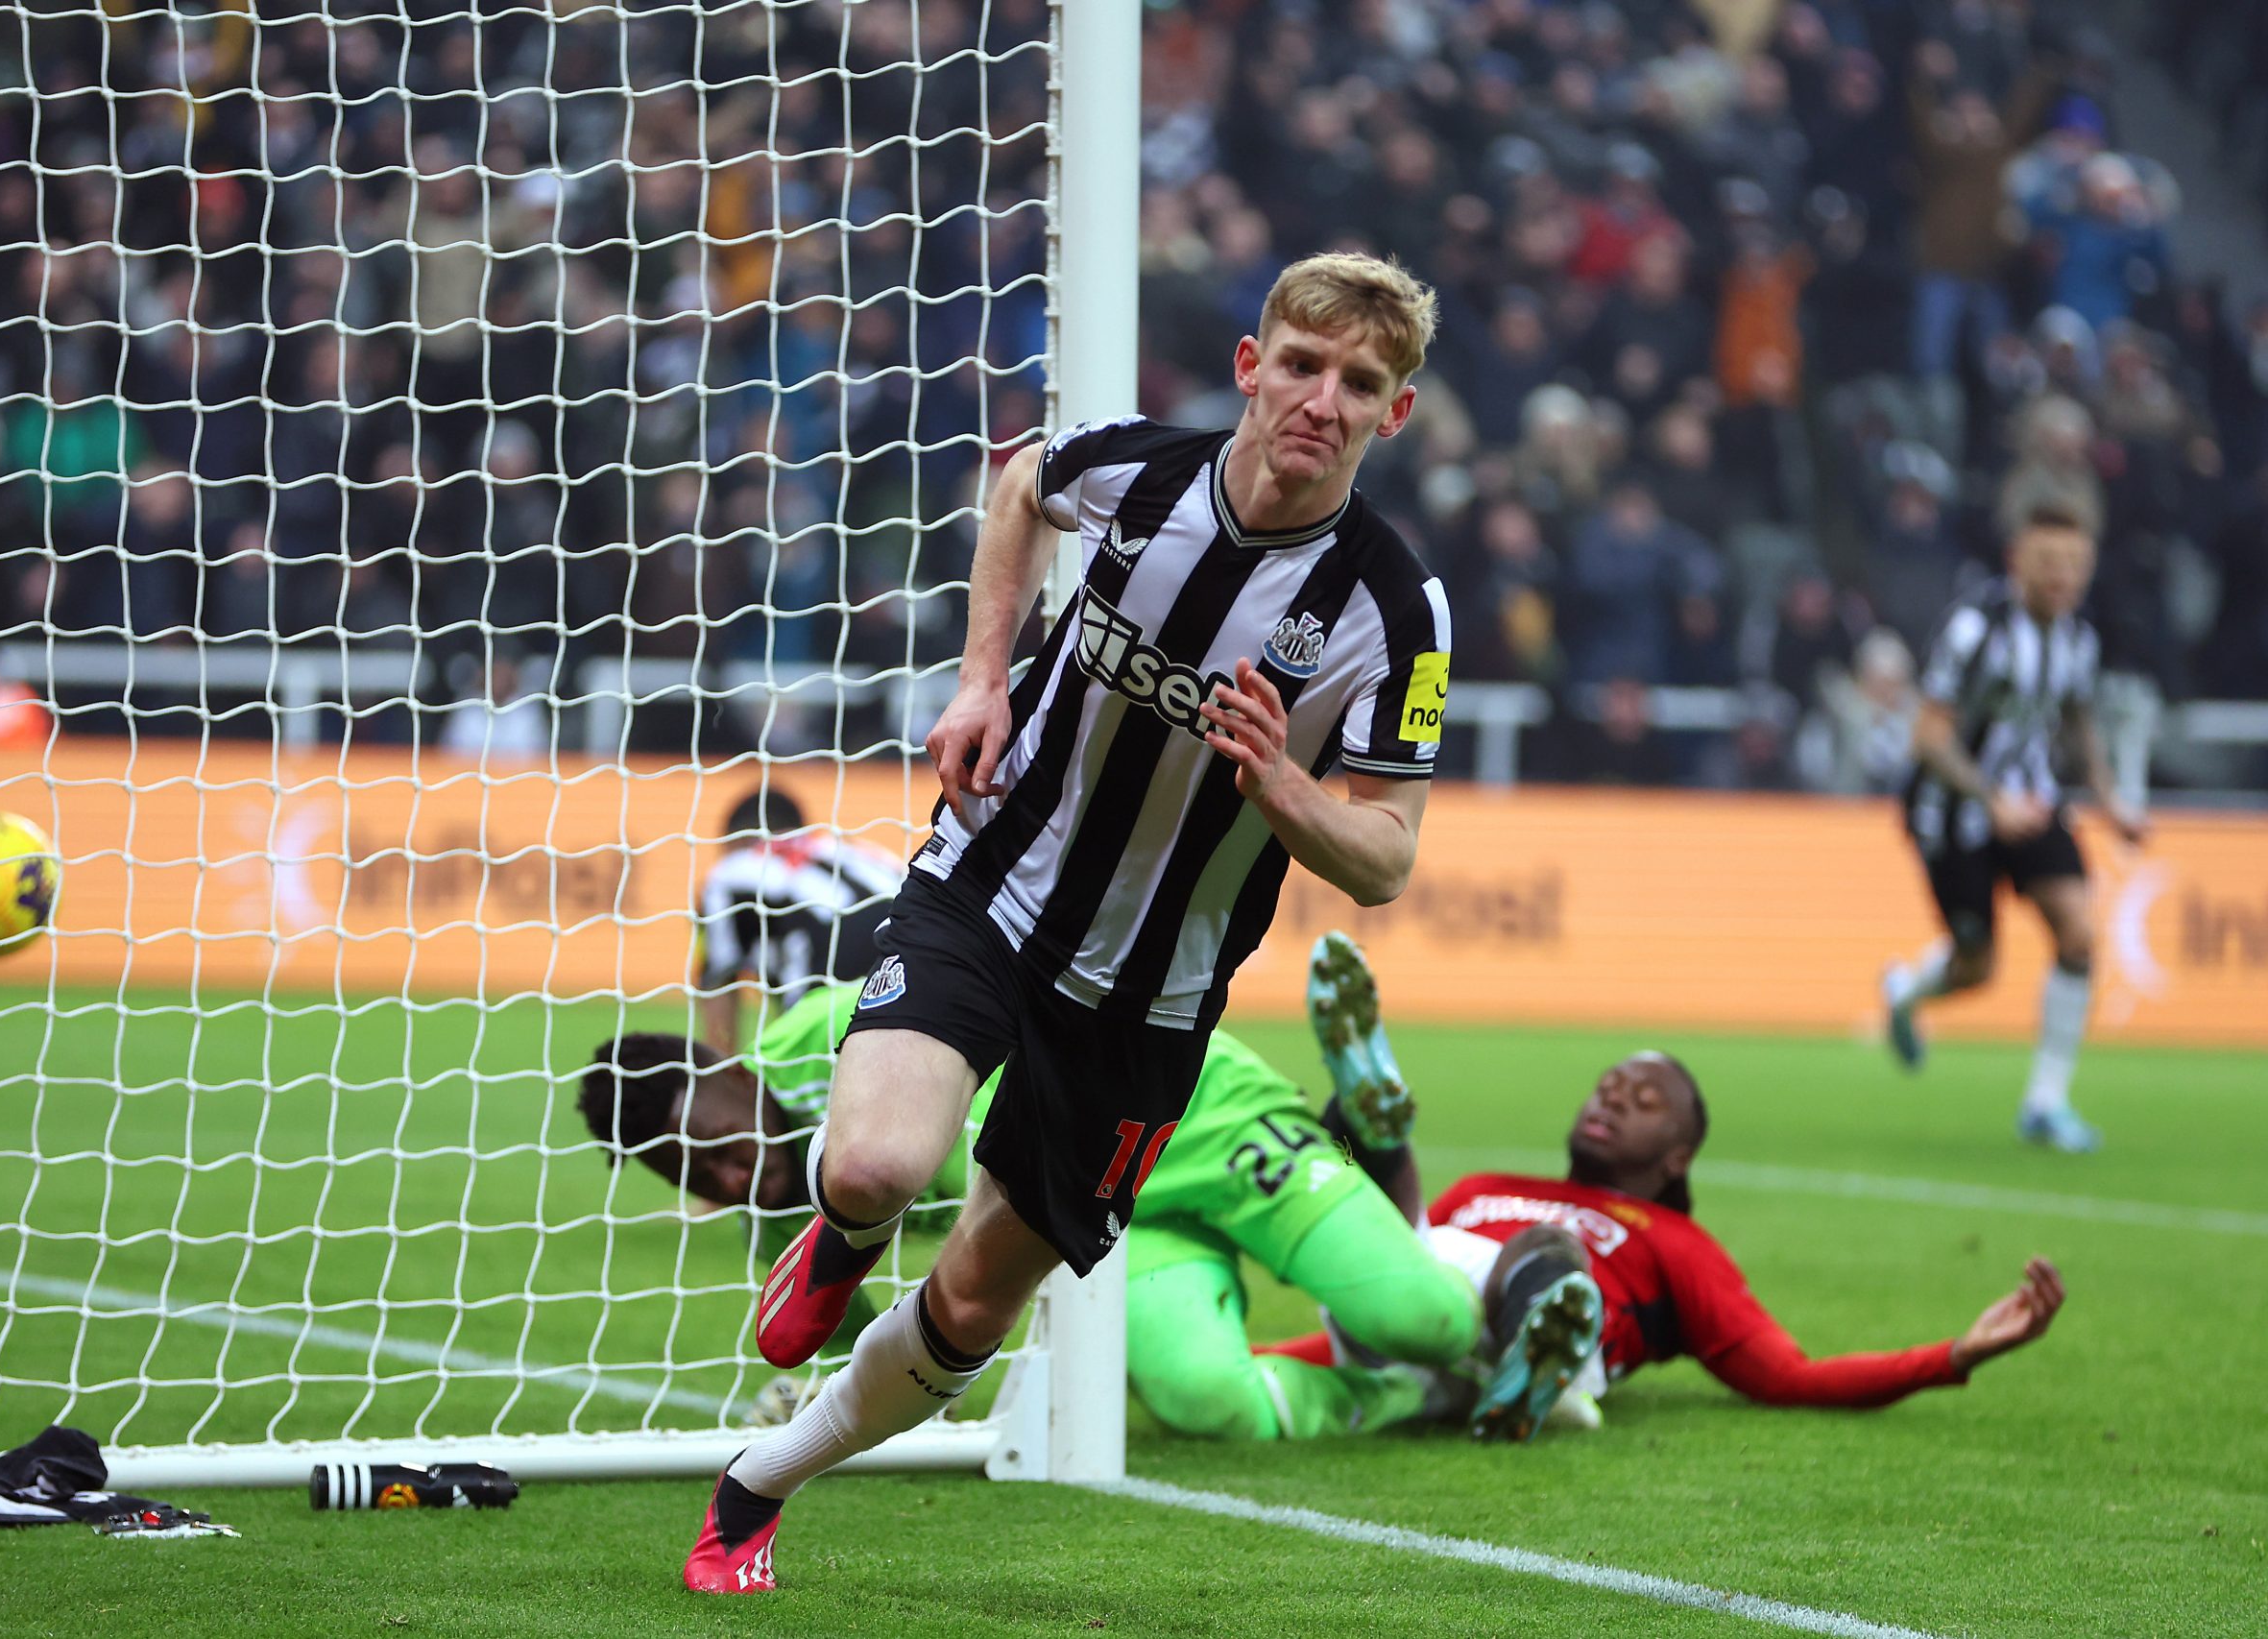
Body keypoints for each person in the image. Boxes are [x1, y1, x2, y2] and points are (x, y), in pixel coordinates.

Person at [681, 252, 1456, 1593]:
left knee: (979, 1301)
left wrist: (1281, 784)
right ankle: (842, 1235)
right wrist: (983, 679)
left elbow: (1385, 856)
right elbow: (1019, 486)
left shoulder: (1397, 612)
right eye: (1302, 365)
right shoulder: (1140, 472)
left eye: (1360, 383)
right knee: (870, 1163)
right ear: (1249, 368)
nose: (1322, 400)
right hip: (990, 884)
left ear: (1393, 414)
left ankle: (758, 1482)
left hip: (1148, 1001)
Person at [580, 936, 1603, 1452]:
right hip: (1106, 1216)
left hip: (1199, 1118)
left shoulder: (852, 1036)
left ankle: (1512, 1290)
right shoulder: (788, 1212)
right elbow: (836, 1335)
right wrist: (809, 1395)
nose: (726, 1176)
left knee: (1413, 1311)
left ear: (723, 1070)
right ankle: (1437, 1390)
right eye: (692, 1177)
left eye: (713, 1143)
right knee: (1206, 1404)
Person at [1265, 1049, 2069, 1410]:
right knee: (1405, 1251)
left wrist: (1953, 1356)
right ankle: (1364, 1131)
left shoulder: (1673, 1242)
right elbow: (1407, 1267)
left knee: (1538, 1259)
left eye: (1642, 1100)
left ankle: (1541, 1350)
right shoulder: (1486, 1188)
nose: (1611, 1098)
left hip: (1554, 1331)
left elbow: (1787, 1375)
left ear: (1679, 1154)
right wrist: (1255, 1355)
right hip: (1419, 1332)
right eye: (1607, 1086)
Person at [1878, 506, 2147, 1152]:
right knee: (1977, 968)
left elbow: (2078, 722)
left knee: (2079, 933)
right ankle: (1906, 994)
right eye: (2049, 561)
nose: (2063, 576)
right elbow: (1930, 736)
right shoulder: (1975, 630)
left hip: (2032, 801)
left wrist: (2112, 801)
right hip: (1953, 809)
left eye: (2076, 564)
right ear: (2016, 561)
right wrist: (1988, 797)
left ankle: (2046, 1104)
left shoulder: (2078, 638)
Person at [692, 782, 906, 1055]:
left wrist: (721, 1065)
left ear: (737, 841)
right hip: (914, 952)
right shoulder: (855, 848)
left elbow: (718, 982)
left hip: (831, 981)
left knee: (790, 1081)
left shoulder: (727, 874)